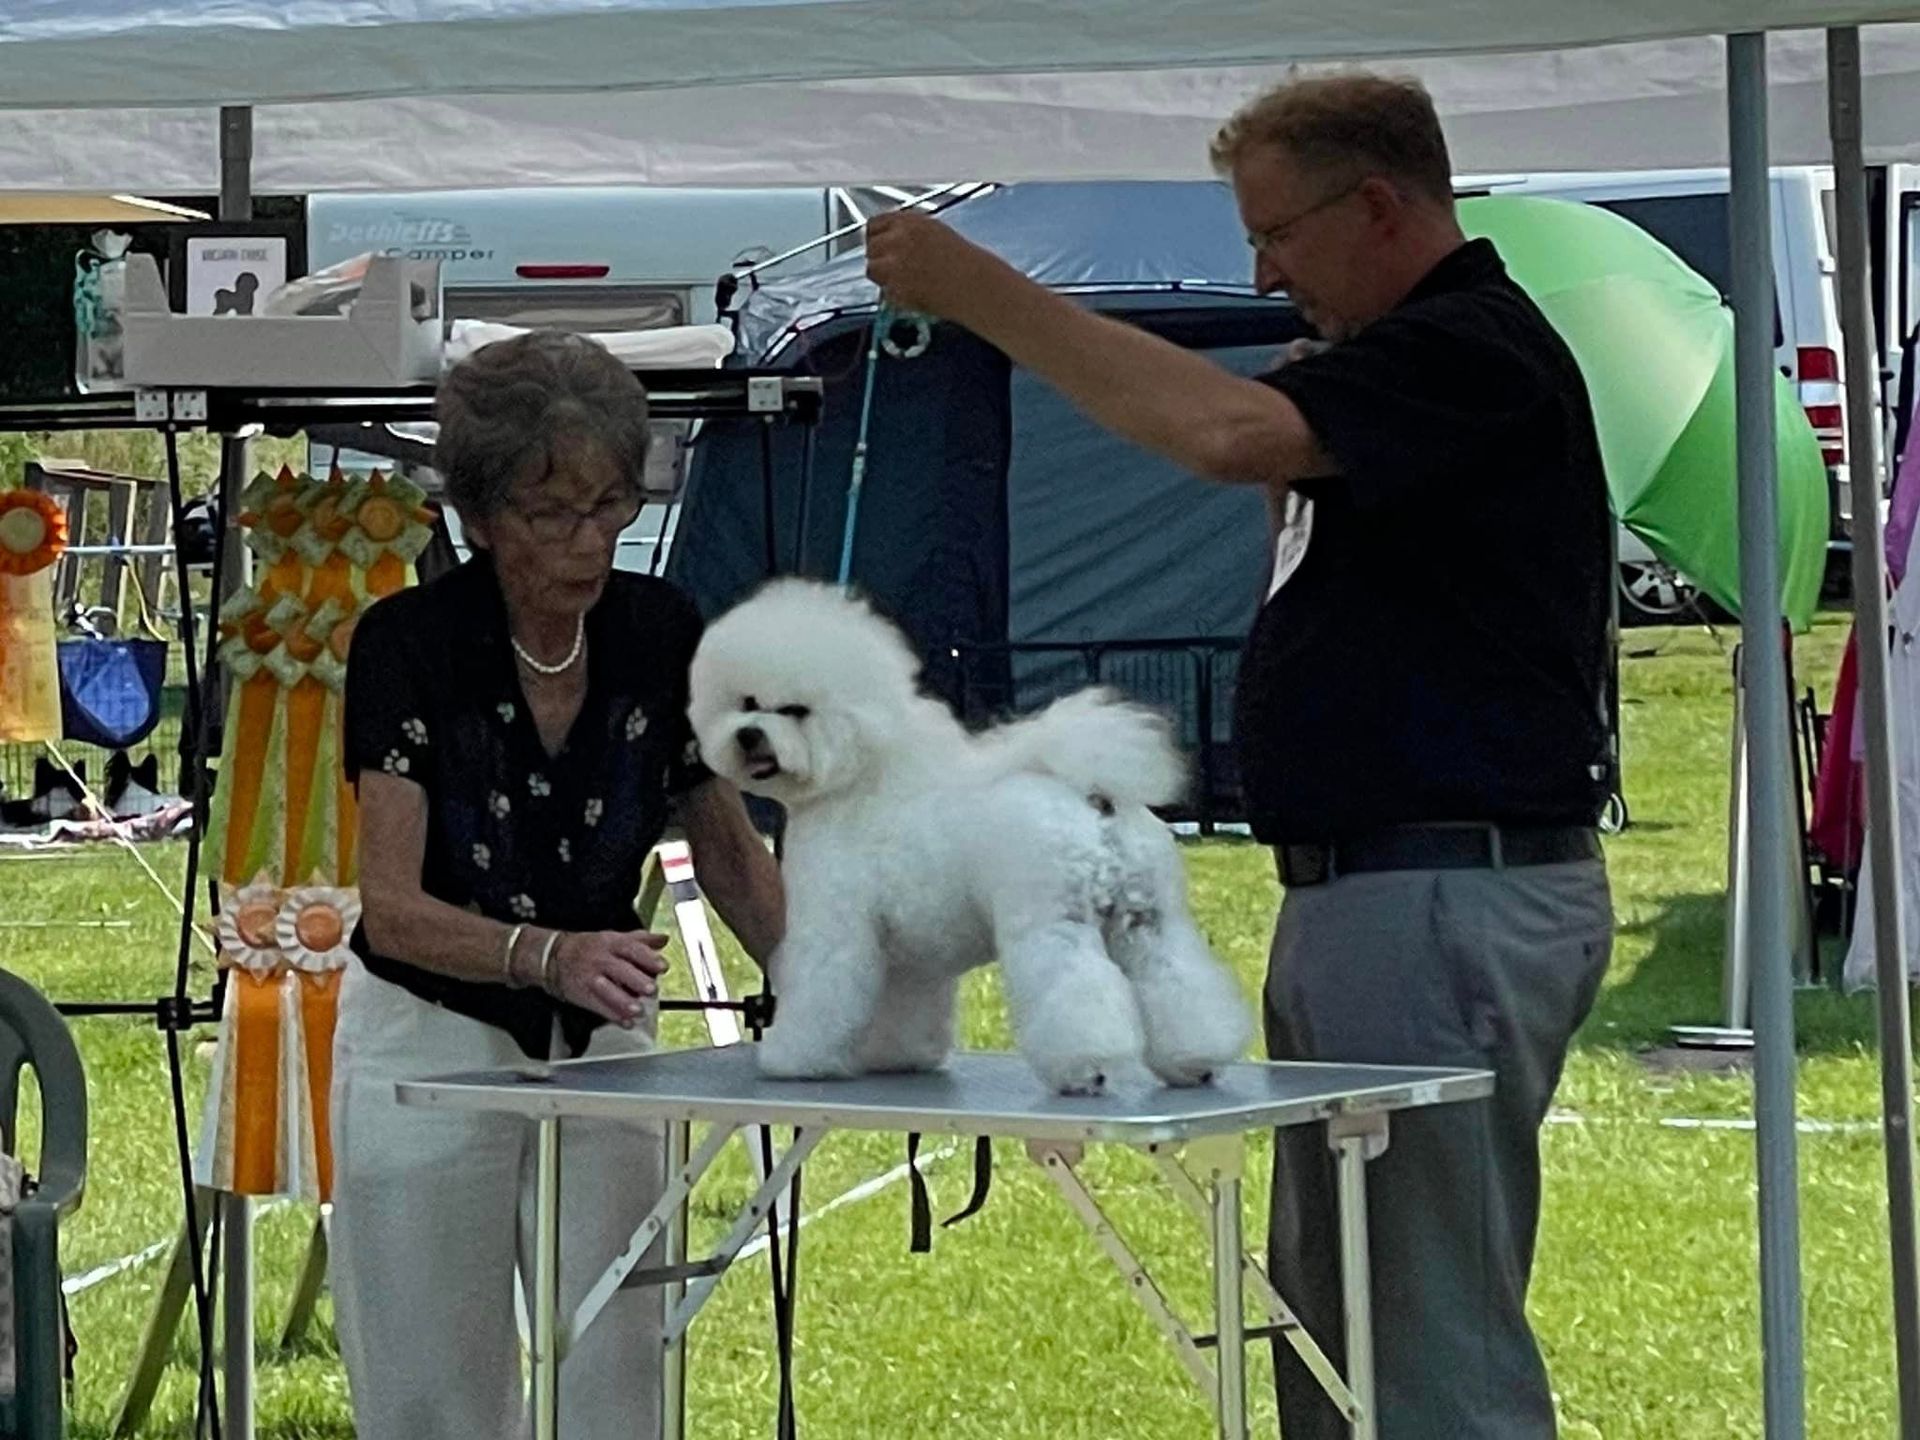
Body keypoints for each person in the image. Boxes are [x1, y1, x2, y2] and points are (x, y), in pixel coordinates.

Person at [866, 73, 1612, 1438]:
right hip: (1376, 892)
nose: (1262, 272)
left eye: (1277, 234)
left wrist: (983, 293)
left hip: (1439, 888)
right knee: (1337, 1332)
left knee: (1418, 1338)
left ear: (1379, 205)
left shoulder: (1468, 347)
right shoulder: (1404, 375)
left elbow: (1219, 433)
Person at [329, 330, 785, 1440]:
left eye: (611, 506)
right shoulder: (407, 643)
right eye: (550, 514)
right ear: (478, 517)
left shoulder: (659, 628)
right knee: (435, 1394)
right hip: (426, 1036)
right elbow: (389, 906)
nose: (588, 542)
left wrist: (837, 983)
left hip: (607, 1034)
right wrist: (550, 957)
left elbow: (721, 842)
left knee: (621, 1374)